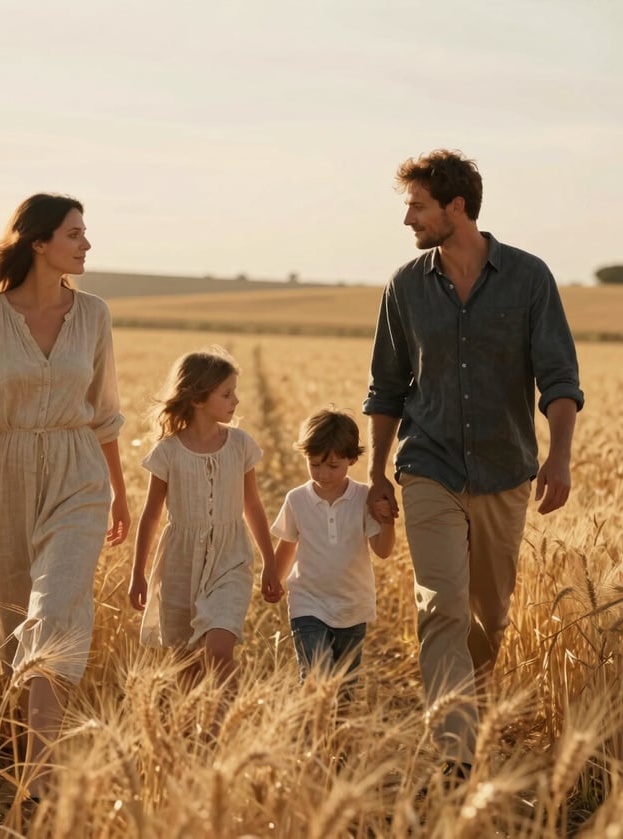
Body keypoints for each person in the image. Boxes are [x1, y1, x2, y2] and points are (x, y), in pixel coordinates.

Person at [363, 149, 584, 780]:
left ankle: (472, 713)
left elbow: (559, 377)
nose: (409, 219)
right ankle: (455, 757)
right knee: (443, 607)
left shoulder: (528, 278)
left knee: (489, 617)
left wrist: (559, 458)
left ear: (455, 206)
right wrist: (379, 473)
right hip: (428, 467)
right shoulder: (405, 285)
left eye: (418, 206)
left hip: (504, 469)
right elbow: (386, 387)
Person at [0, 193, 130, 802]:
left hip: (78, 473)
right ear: (40, 243)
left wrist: (119, 493)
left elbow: (104, 414)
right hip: (6, 473)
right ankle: (21, 749)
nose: (87, 244)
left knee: (56, 613)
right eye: (76, 234)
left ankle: (39, 781)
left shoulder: (94, 314)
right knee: (16, 621)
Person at [128, 346, 282, 692]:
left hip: (230, 560)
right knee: (187, 665)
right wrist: (139, 573)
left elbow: (253, 506)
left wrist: (270, 563)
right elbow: (151, 516)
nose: (236, 401)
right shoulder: (168, 452)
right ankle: (198, 740)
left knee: (218, 650)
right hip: (180, 565)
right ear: (197, 399)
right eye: (227, 394)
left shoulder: (241, 445)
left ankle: (226, 729)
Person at [271, 408, 395, 697]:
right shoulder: (297, 499)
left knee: (345, 689)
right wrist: (274, 580)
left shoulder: (364, 497)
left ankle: (338, 740)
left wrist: (386, 520)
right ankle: (313, 737)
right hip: (308, 603)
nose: (323, 474)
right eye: (314, 465)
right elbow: (288, 543)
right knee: (317, 678)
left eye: (333, 466)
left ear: (352, 459)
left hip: (353, 605)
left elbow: (383, 550)